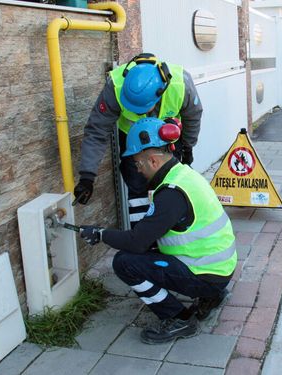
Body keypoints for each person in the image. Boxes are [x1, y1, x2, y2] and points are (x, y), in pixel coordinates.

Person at [79, 117, 236, 344]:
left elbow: (136, 242)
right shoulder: (184, 174)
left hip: (207, 274)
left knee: (124, 262)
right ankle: (211, 295)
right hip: (219, 268)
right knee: (149, 249)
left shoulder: (171, 193)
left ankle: (179, 318)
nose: (138, 171)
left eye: (138, 164)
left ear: (153, 160)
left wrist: (101, 233)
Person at [73, 53, 203, 229]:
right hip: (133, 142)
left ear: (160, 93)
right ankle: (141, 238)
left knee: (170, 185)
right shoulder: (115, 88)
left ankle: (172, 232)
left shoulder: (181, 84)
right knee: (137, 188)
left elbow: (193, 116)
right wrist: (87, 176)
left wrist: (188, 147)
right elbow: (97, 131)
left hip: (167, 136)